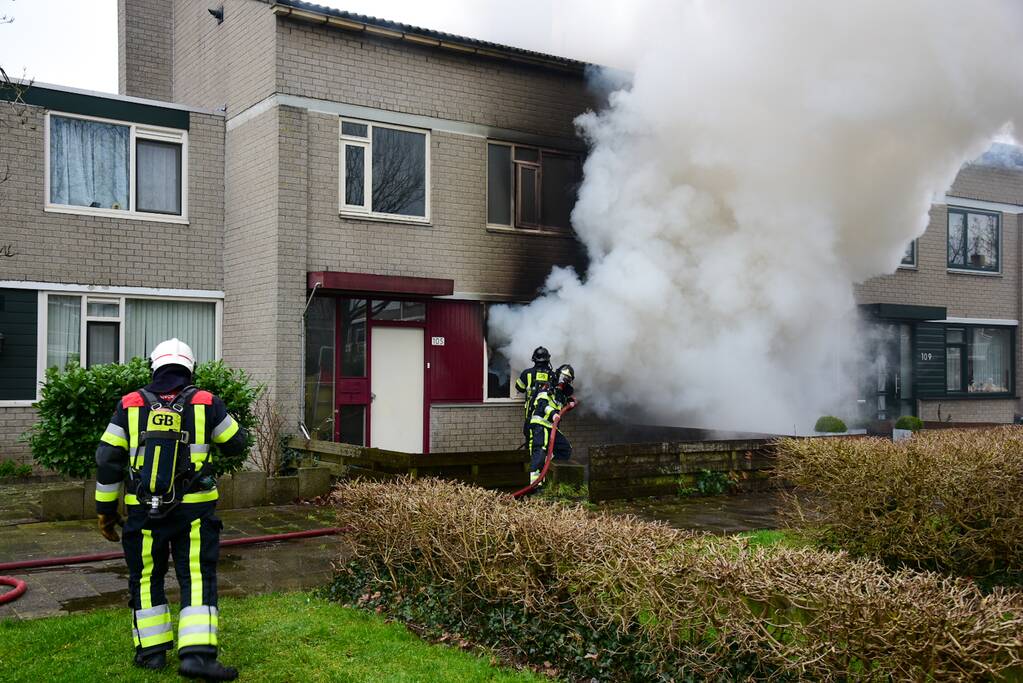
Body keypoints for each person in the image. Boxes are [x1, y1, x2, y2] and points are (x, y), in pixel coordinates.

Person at [94, 339, 247, 680]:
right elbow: (237, 443)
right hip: (195, 513)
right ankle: (198, 657)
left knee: (146, 576)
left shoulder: (130, 404)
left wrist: (106, 510)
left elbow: (107, 458)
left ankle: (151, 654)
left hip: (141, 512)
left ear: (154, 367)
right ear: (191, 368)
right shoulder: (206, 401)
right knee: (196, 576)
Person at [528, 364, 576, 486]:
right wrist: (553, 413)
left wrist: (570, 402)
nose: (564, 382)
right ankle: (534, 485)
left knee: (565, 448)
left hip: (552, 427)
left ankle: (549, 476)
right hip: (540, 424)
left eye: (568, 380)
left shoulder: (561, 394)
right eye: (564, 378)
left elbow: (563, 403)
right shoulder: (547, 387)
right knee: (540, 451)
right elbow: (542, 404)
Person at [515, 346, 553, 438]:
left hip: (531, 416)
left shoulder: (527, 373)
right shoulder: (553, 375)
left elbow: (519, 388)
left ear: (534, 359)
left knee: (531, 441)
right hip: (549, 417)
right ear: (548, 359)